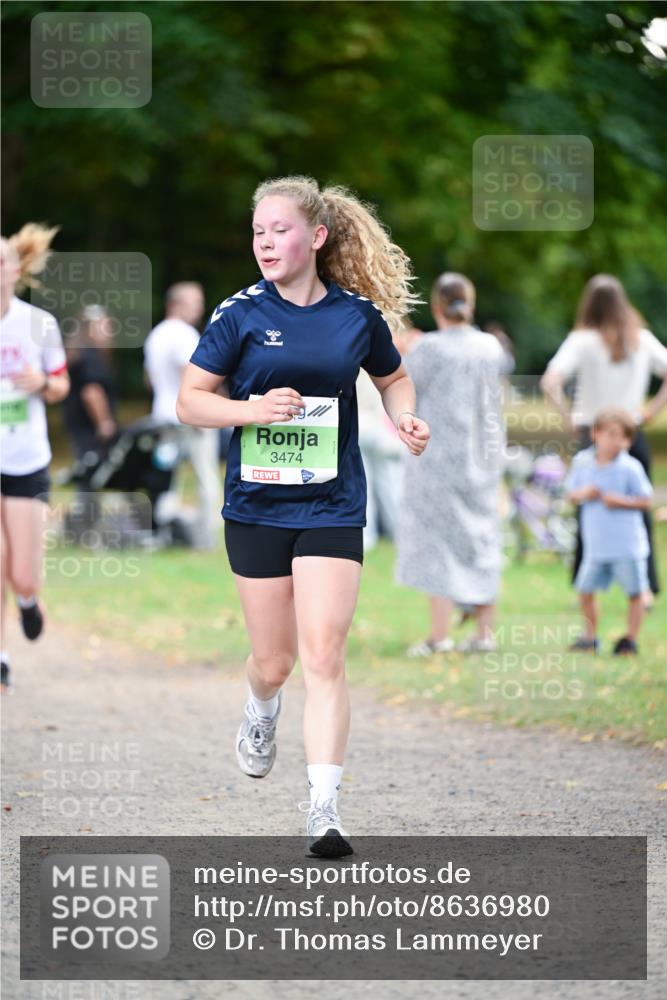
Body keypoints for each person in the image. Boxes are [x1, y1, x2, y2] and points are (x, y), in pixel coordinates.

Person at [176, 175, 429, 857]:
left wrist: (404, 416)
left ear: (316, 236)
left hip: (332, 503)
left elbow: (392, 377)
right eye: (257, 231)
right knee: (275, 661)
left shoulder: (356, 316)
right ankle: (261, 708)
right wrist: (251, 410)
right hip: (257, 506)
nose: (264, 242)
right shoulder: (238, 314)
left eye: (278, 230)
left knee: (323, 654)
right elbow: (190, 402)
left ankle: (324, 809)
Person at [395, 272, 506, 655]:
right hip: (483, 456)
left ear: (437, 306)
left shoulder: (430, 349)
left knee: (437, 543)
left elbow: (404, 388)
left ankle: (439, 635)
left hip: (438, 458)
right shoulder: (491, 347)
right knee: (481, 539)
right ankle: (484, 634)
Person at [540, 274, 667, 604]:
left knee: (587, 508)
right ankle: (645, 587)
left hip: (593, 435)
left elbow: (550, 381)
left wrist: (568, 417)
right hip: (631, 433)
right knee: (638, 507)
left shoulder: (581, 340)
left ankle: (586, 585)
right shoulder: (640, 339)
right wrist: (650, 411)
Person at [0, 224, 70, 691]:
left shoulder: (38, 324)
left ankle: (28, 600)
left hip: (26, 458)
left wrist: (40, 383)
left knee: (23, 574)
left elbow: (61, 385)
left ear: (16, 269)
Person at [564, 408, 653, 655]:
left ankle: (629, 640)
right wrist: (584, 493)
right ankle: (590, 637)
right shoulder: (583, 463)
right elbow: (570, 493)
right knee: (585, 591)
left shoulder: (630, 467)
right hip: (596, 547)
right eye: (611, 434)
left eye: (624, 437)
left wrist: (620, 501)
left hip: (627, 545)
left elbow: (646, 500)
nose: (617, 442)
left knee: (635, 593)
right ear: (596, 434)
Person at [144, 282, 223, 549]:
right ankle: (205, 537)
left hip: (163, 416)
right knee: (205, 477)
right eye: (194, 303)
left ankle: (165, 531)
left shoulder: (156, 334)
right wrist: (208, 411)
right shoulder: (183, 334)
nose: (200, 308)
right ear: (175, 303)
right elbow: (192, 377)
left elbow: (149, 379)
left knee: (169, 478)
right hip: (190, 416)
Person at [63, 304, 118, 459]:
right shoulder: (90, 356)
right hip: (90, 429)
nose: (109, 332)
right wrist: (105, 423)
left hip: (78, 426)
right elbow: (92, 392)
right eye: (104, 326)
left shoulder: (77, 354)